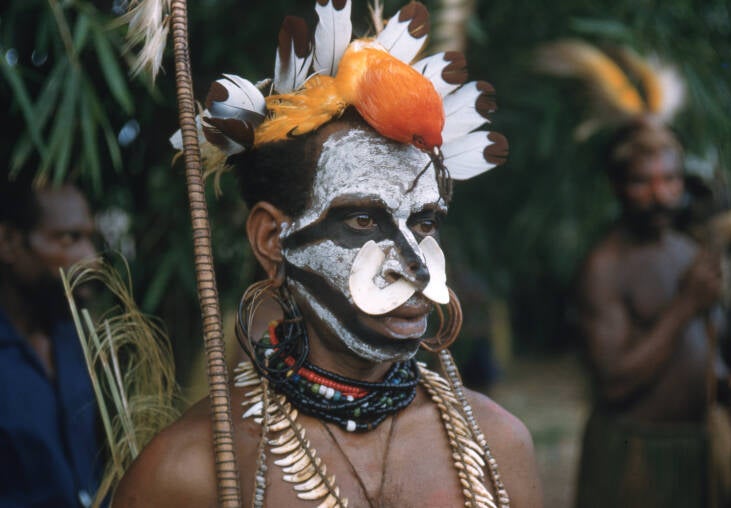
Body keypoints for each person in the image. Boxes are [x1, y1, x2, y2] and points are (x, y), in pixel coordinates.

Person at [113, 1, 541, 506]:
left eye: (424, 222)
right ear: (272, 239)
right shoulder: (190, 471)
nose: (417, 264)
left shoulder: (498, 445)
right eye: (363, 220)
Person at [572, 118, 727, 508]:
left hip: (697, 448)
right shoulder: (605, 267)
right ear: (618, 185)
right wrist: (686, 305)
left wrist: (729, 388)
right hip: (634, 455)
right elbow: (614, 382)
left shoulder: (690, 253)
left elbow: (705, 353)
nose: (661, 195)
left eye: (671, 179)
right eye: (644, 181)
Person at [0, 175, 101, 507]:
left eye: (89, 238)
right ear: (9, 241)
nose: (91, 258)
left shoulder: (73, 344)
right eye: (69, 238)